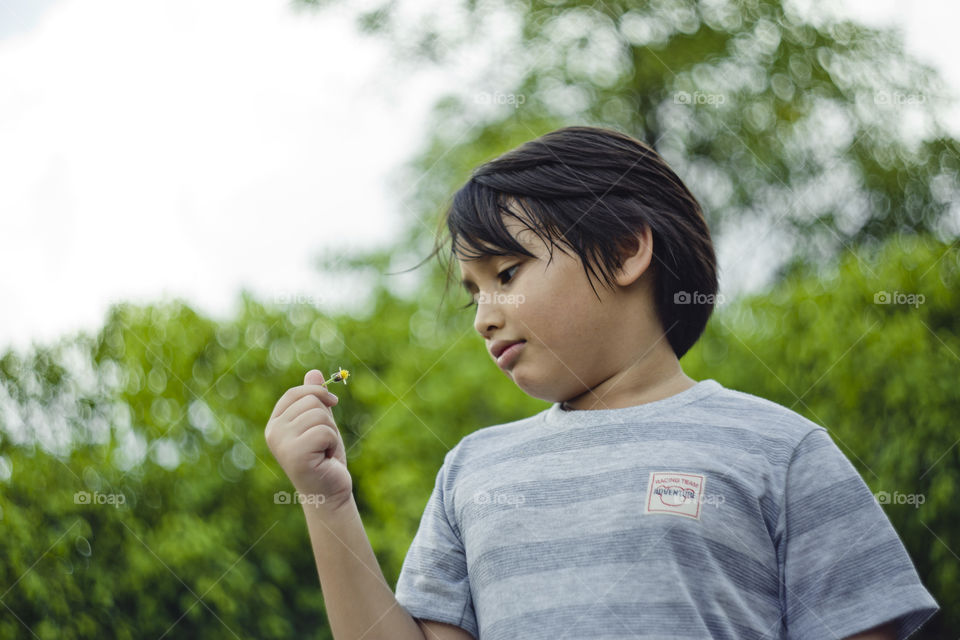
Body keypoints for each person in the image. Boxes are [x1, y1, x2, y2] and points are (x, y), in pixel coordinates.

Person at [264, 126, 939, 639]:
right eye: (471, 293)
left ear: (624, 251)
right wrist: (326, 500)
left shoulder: (783, 452)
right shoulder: (471, 470)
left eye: (506, 274)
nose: (483, 317)